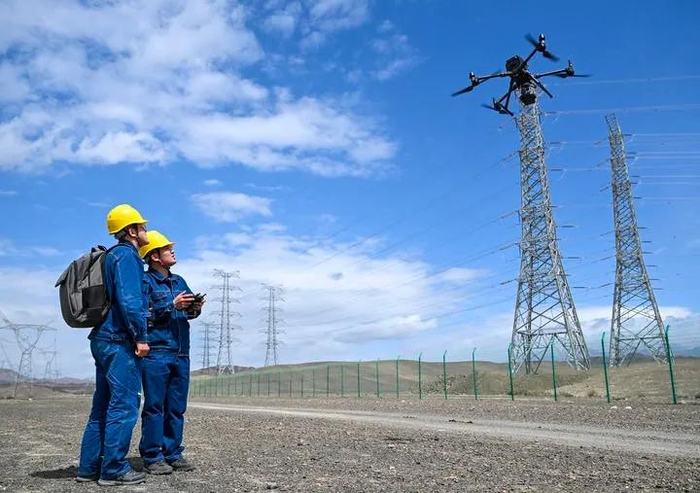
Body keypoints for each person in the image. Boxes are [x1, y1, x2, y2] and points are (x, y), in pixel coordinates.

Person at [76, 204, 150, 486]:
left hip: (102, 339)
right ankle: (114, 469)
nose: (146, 230)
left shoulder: (109, 256)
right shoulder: (128, 256)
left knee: (102, 406)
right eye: (142, 227)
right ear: (131, 231)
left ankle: (88, 468)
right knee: (125, 405)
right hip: (119, 341)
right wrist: (141, 337)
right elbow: (131, 302)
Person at [138, 230, 203, 475]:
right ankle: (152, 456)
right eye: (167, 248)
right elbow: (142, 316)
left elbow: (188, 314)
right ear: (154, 256)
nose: (172, 251)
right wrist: (170, 305)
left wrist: (195, 307)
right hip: (157, 352)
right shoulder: (145, 282)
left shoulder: (180, 281)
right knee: (155, 407)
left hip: (181, 352)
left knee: (176, 407)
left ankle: (173, 453)